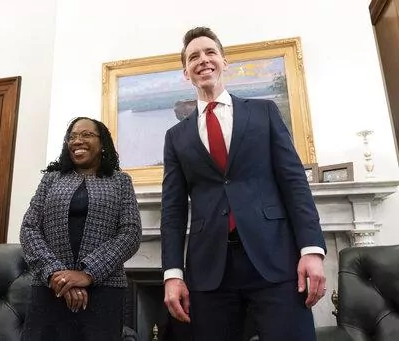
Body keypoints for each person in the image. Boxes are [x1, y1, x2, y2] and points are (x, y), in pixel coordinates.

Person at [160, 27, 327, 341]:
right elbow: (172, 212)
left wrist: (312, 249)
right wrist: (172, 274)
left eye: (210, 52)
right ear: (186, 72)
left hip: (275, 259)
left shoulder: (263, 113)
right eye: (193, 56)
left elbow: (294, 184)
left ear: (225, 61)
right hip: (210, 270)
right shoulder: (176, 137)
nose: (202, 60)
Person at [20, 117, 142, 341]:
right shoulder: (51, 179)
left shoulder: (120, 181)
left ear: (103, 143)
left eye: (86, 135)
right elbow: (29, 228)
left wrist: (87, 274)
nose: (78, 141)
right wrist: (58, 275)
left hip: (103, 291)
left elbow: (130, 233)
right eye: (73, 137)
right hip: (50, 288)